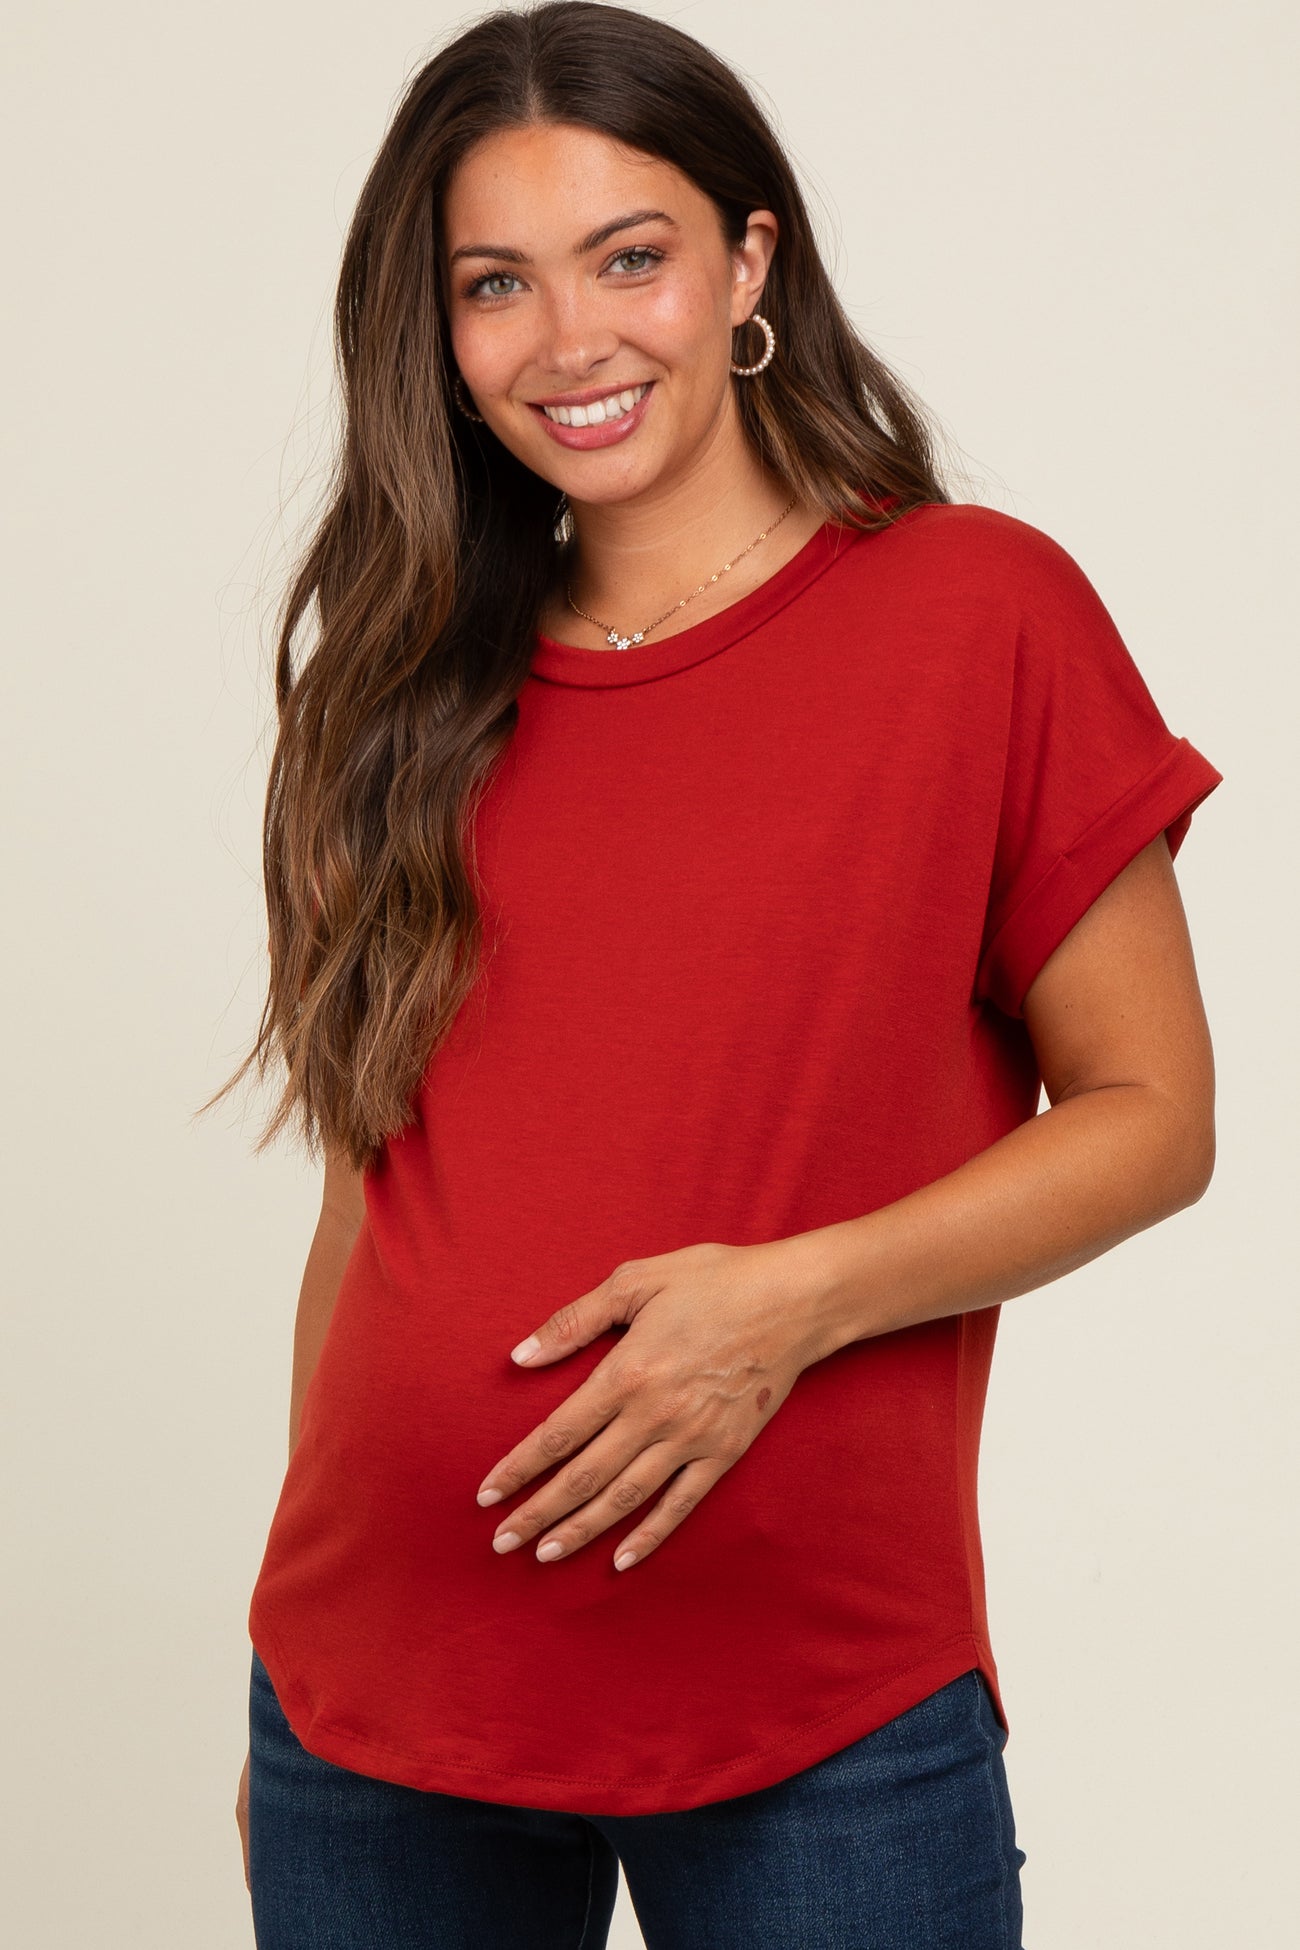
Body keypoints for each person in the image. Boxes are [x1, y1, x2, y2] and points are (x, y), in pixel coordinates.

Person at [214, 3, 1224, 1944]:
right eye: (494, 283)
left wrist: (787, 1303)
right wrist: (291, 1643)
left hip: (815, 1706)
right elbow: (365, 1196)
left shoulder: (974, 616)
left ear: (748, 261)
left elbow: (1152, 1116)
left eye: (629, 257)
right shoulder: (406, 679)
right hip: (377, 1705)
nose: (566, 339)